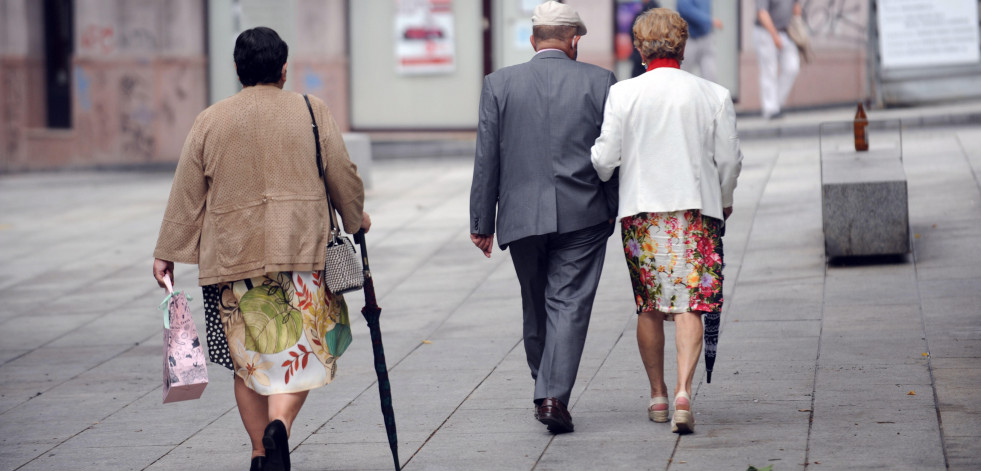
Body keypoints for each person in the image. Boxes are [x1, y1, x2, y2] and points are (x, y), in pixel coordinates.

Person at [152, 27, 370, 471]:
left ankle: (259, 453)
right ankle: (280, 429)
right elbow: (341, 173)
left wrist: (166, 251)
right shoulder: (312, 110)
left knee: (247, 361)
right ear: (284, 69)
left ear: (237, 70)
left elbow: (186, 192)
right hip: (303, 251)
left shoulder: (210, 120)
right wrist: (355, 218)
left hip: (234, 258)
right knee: (305, 349)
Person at [590, 8, 742, 434]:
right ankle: (683, 393)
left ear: (640, 48)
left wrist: (598, 167)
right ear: (683, 45)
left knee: (651, 305)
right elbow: (729, 160)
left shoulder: (623, 94)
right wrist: (724, 200)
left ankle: (657, 394)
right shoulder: (713, 94)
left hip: (642, 213)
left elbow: (605, 160)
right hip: (696, 213)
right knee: (691, 303)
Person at [469, 1, 617, 434]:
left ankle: (546, 386)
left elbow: (486, 158)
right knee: (567, 303)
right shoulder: (601, 81)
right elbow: (614, 154)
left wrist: (482, 221)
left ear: (534, 40)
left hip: (521, 216)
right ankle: (552, 394)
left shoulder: (499, 84)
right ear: (575, 40)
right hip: (584, 212)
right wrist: (613, 207)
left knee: (535, 302)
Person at [754, 0, 802, 119]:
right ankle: (770, 109)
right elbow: (761, 13)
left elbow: (796, 8)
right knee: (769, 71)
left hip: (785, 31)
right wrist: (774, 35)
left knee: (792, 67)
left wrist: (798, 26)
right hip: (765, 32)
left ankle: (776, 103)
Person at [677, 0, 723, 82]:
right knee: (683, 75)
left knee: (710, 76)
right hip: (689, 40)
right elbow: (687, 10)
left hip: (706, 38)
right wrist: (710, 20)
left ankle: (710, 94)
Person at [629, 0, 661, 78]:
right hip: (650, 57)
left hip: (643, 57)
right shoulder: (659, 13)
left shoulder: (646, 12)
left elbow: (632, 33)